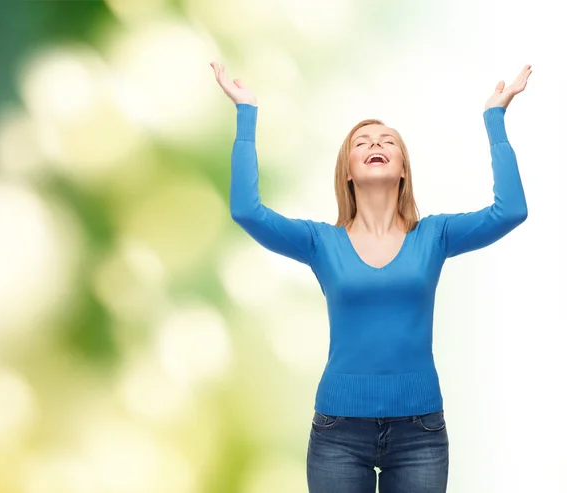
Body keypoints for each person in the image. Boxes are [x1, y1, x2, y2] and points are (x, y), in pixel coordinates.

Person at [210, 61, 532, 493]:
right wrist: (246, 111)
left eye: (388, 142)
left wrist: (495, 116)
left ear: (402, 169)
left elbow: (510, 210)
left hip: (420, 433)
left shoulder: (434, 236)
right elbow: (247, 210)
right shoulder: (319, 242)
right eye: (362, 142)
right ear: (348, 170)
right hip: (338, 432)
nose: (375, 144)